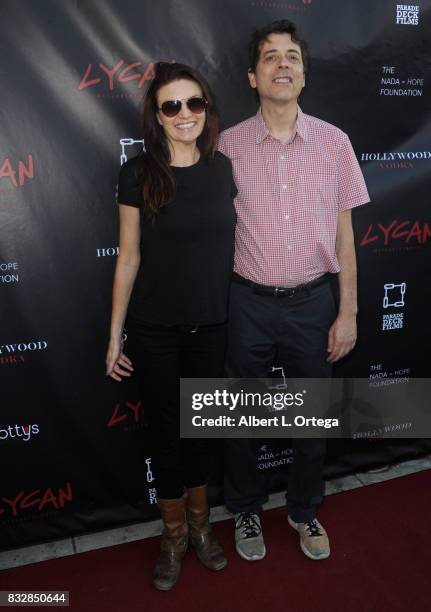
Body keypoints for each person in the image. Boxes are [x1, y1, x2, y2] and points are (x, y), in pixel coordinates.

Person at [218, 20, 370, 562]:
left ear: (303, 73)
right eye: (270, 57)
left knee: (310, 420)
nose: (282, 65)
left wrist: (347, 310)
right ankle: (245, 511)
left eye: (292, 57)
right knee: (241, 417)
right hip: (247, 303)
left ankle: (304, 512)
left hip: (313, 302)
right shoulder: (226, 146)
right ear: (253, 76)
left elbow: (346, 237)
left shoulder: (334, 143)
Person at [106, 62, 237, 590]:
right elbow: (128, 257)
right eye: (172, 106)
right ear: (157, 117)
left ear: (207, 108)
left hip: (211, 324)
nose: (186, 114)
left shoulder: (224, 168)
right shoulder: (137, 174)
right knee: (164, 431)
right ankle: (173, 534)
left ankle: (204, 529)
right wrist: (114, 334)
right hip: (155, 328)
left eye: (195, 103)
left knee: (201, 432)